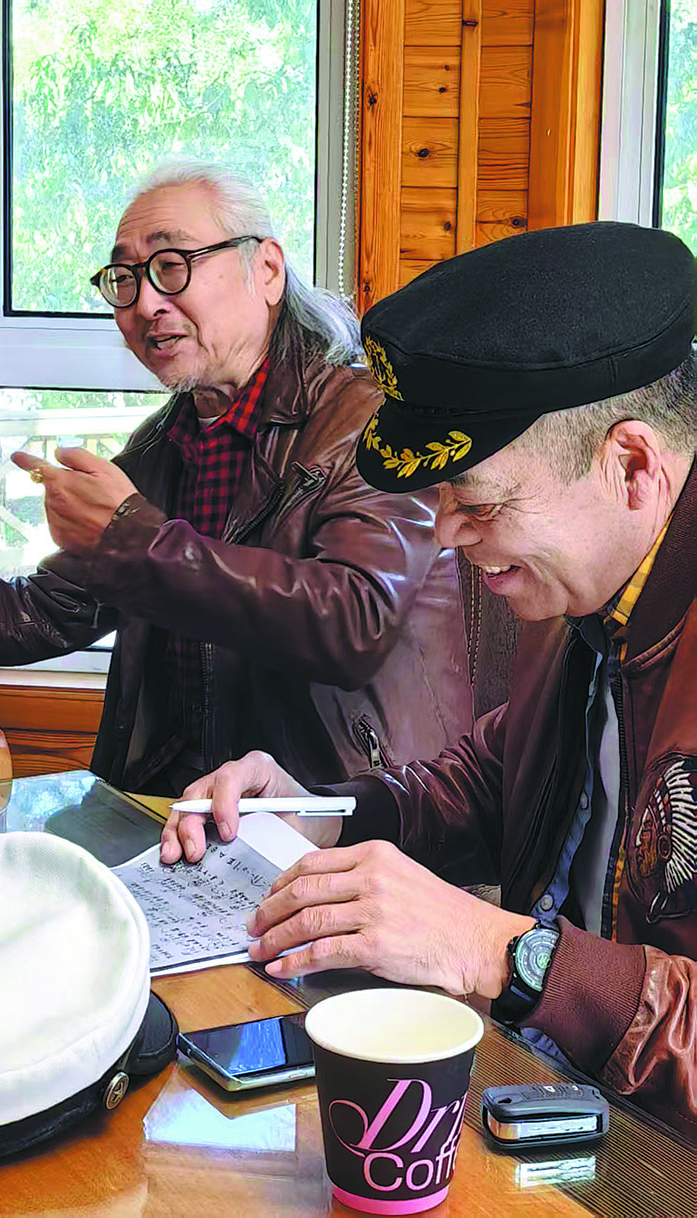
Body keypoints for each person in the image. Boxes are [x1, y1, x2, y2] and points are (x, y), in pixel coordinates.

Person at [161, 220, 697, 1139]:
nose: (446, 534)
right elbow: (499, 780)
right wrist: (321, 814)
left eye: (477, 502)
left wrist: (503, 952)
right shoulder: (581, 583)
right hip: (542, 1115)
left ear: (633, 466)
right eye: (439, 499)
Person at [0, 160, 471, 793]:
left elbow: (353, 624)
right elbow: (41, 612)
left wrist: (133, 537)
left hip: (340, 816)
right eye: (124, 278)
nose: (145, 301)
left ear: (266, 269)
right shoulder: (161, 445)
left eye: (171, 265)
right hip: (177, 810)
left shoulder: (371, 420)